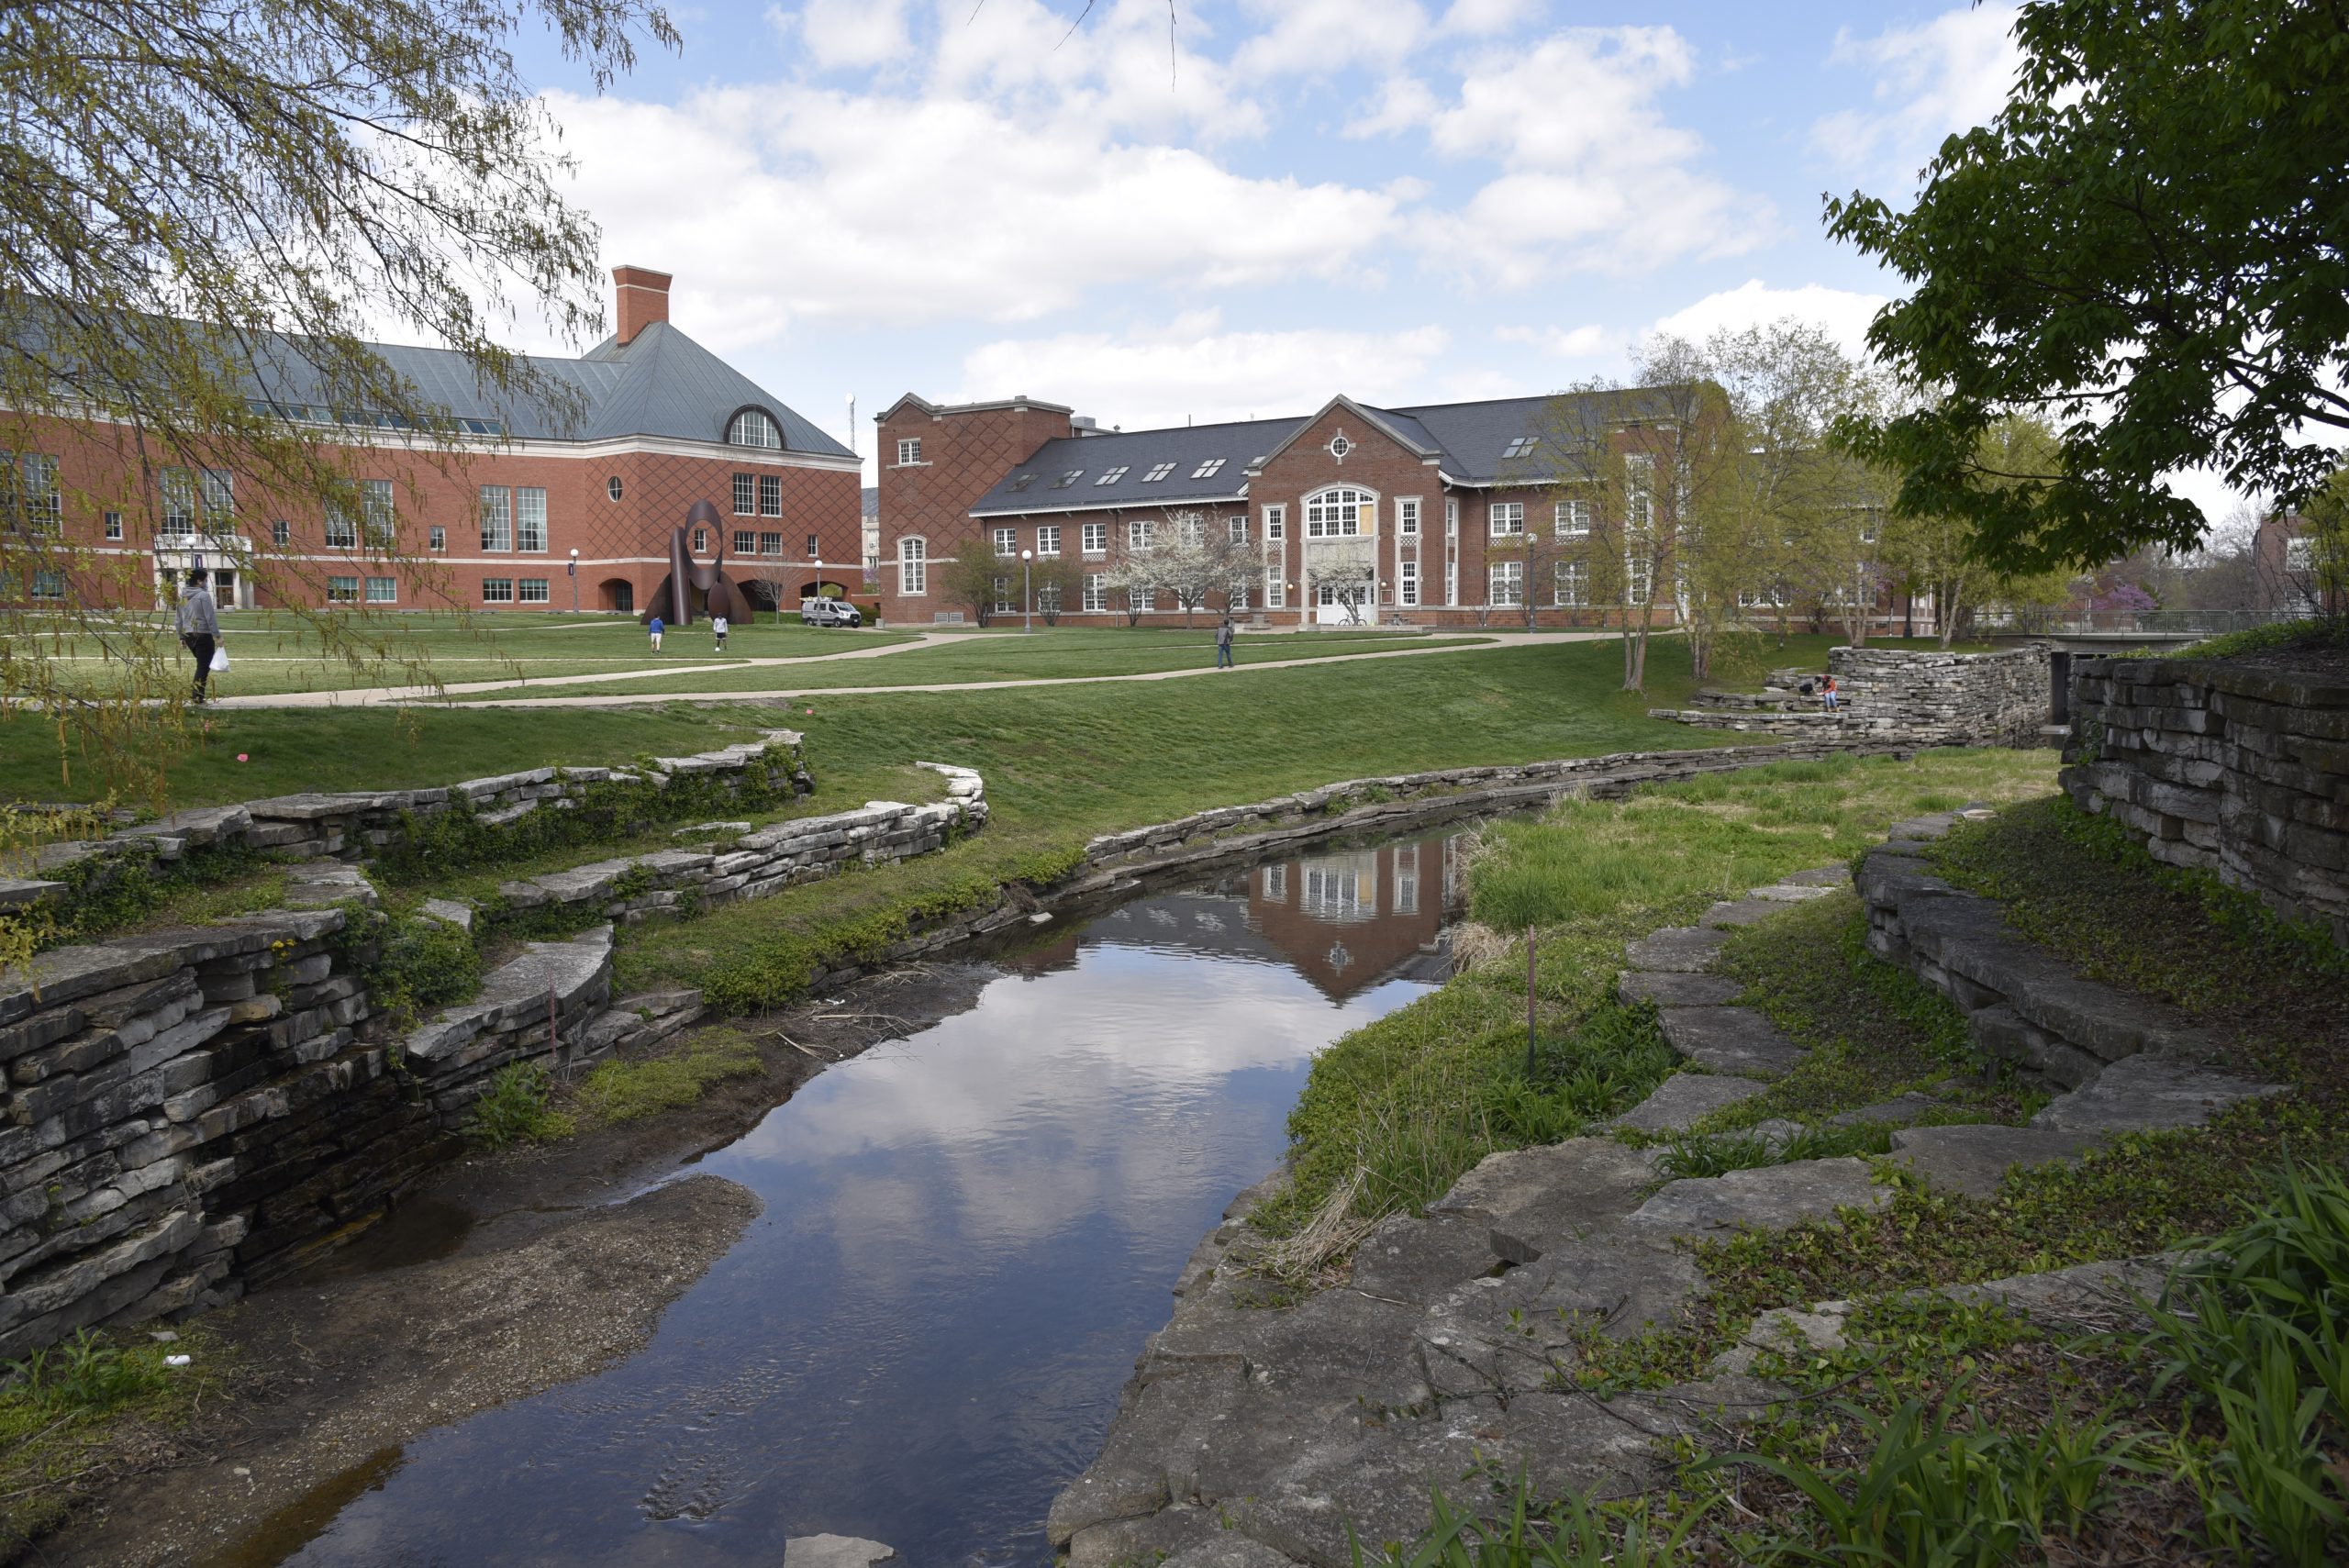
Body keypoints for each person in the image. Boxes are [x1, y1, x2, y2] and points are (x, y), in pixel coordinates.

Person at [175, 569, 219, 704]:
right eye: (205, 580)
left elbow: (178, 619)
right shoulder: (203, 596)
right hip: (202, 633)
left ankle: (197, 694)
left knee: (202, 665)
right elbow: (209, 617)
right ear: (199, 581)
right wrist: (217, 635)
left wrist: (181, 637)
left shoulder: (182, 596)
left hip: (189, 635)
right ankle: (197, 696)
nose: (206, 583)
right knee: (203, 666)